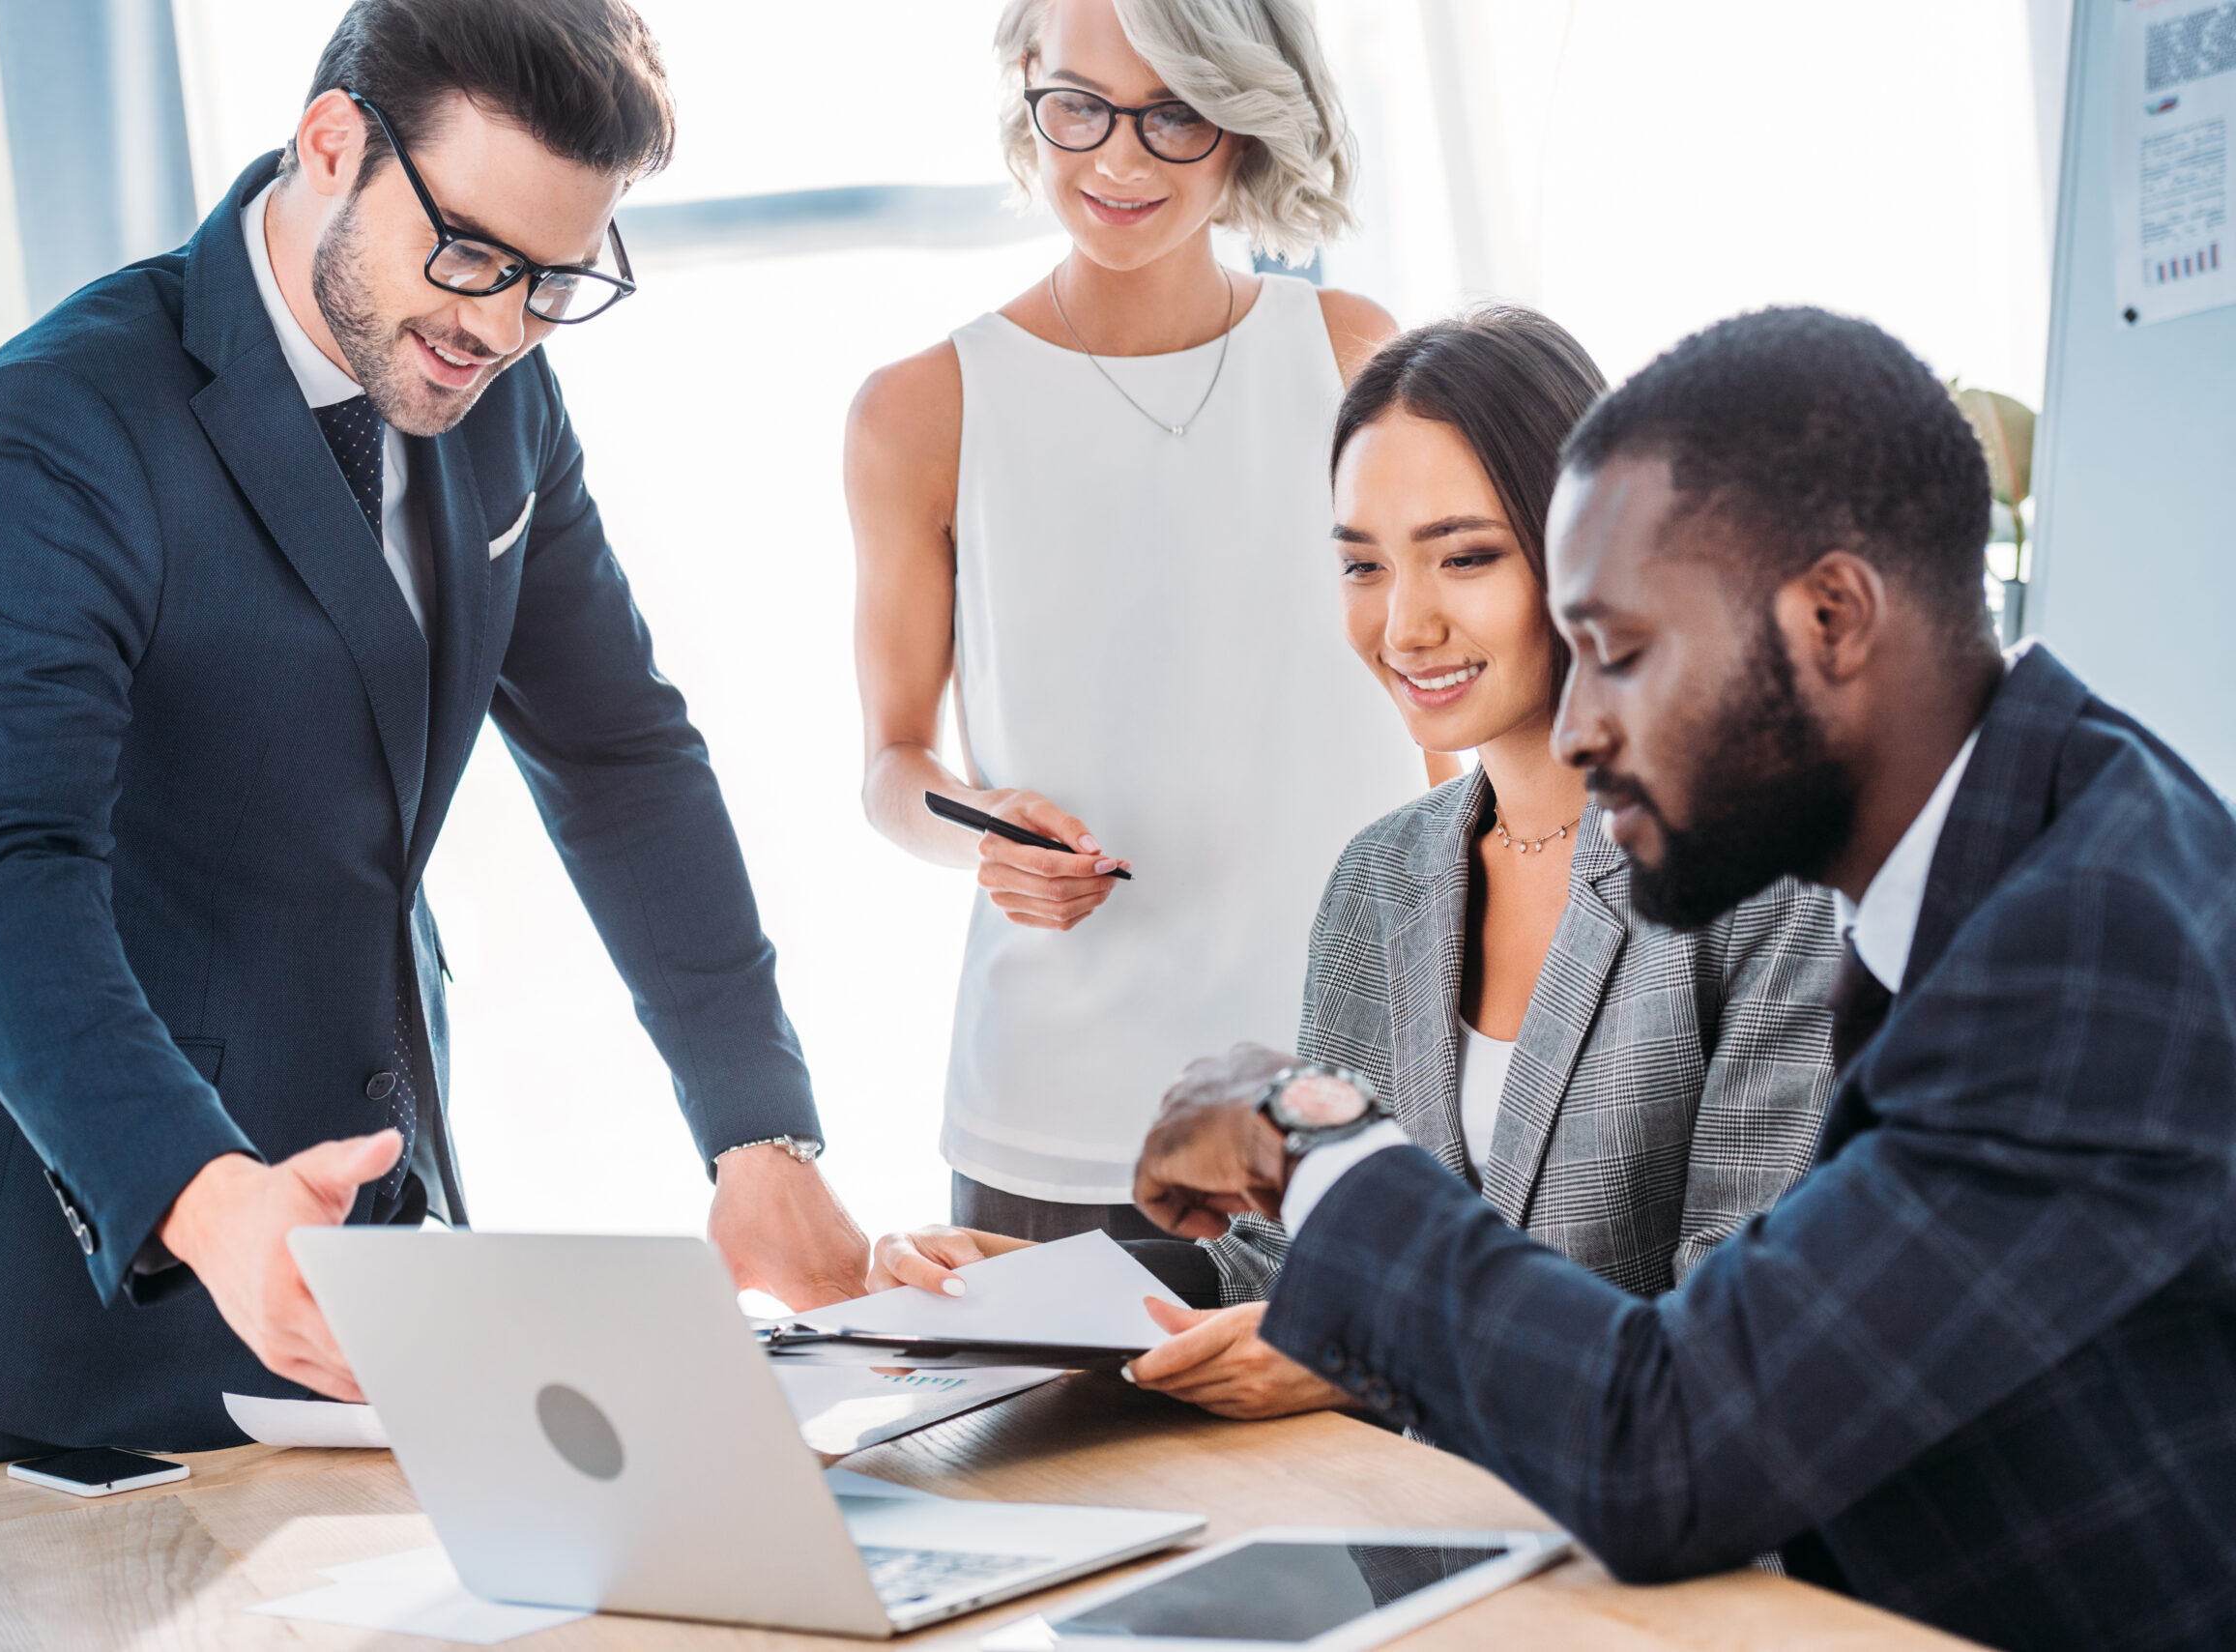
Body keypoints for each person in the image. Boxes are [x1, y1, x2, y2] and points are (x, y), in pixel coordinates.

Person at [0, 0, 870, 1476]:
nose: (500, 327)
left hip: (359, 1219)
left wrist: (760, 1133)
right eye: (472, 255)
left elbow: (619, 753)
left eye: (555, 282)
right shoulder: (52, 429)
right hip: (66, 1251)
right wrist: (199, 1189)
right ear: (331, 144)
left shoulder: (503, 398)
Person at [1129, 307, 2236, 1649]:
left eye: (1623, 652)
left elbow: (1668, 1437)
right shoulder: (2021, 831)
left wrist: (1308, 1126)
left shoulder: (2082, 944)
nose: (1583, 727)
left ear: (1831, 617)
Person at [869, 310, 1841, 1421]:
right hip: (1404, 1515)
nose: (1405, 624)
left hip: (1647, 1527)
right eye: (1363, 565)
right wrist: (1043, 1289)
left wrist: (1381, 1352)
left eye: (1465, 556)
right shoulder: (1384, 878)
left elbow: (1733, 1341)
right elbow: (1300, 1260)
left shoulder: (1774, 877)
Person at [847, 0, 1423, 1247]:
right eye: (1080, 108)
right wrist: (982, 835)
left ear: (1244, 114)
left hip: (1352, 1087)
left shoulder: (1351, 353)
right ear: (1026, 79)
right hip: (1058, 1115)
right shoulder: (921, 408)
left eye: (1174, 115)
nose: (1117, 161)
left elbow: (1438, 722)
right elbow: (892, 765)